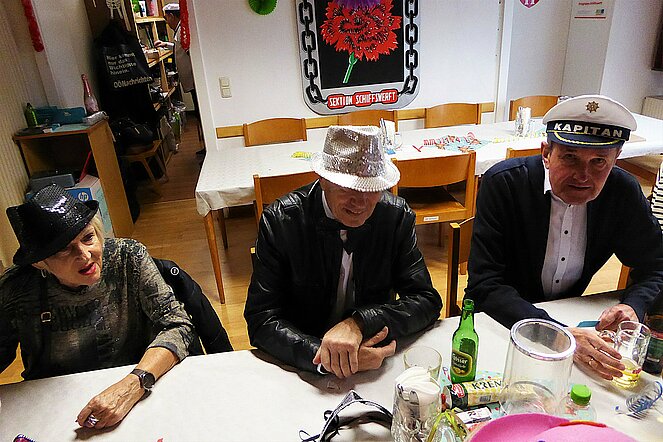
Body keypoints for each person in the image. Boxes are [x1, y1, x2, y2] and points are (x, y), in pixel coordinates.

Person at [466, 95, 663, 380]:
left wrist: (633, 306)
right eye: (570, 157)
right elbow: (485, 285)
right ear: (546, 153)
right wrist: (558, 334)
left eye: (599, 162)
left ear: (616, 158)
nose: (583, 175)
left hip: (573, 320)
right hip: (502, 324)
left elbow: (656, 265)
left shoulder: (622, 192)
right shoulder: (504, 183)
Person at [244, 125, 442, 379]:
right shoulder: (281, 220)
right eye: (348, 188)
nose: (360, 202)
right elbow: (261, 320)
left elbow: (426, 301)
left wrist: (360, 322)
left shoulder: (395, 217)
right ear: (323, 180)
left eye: (371, 188)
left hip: (371, 355)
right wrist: (326, 357)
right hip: (304, 365)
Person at [0, 185, 197, 429]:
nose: (85, 255)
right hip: (50, 409)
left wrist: (133, 384)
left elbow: (178, 325)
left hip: (133, 392)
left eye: (88, 237)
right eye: (64, 249)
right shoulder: (16, 289)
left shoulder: (128, 258)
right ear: (40, 262)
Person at [155, 2, 205, 156]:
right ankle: (206, 146)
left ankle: (207, 147)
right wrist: (165, 44)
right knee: (199, 113)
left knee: (200, 114)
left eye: (166, 18)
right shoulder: (179, 31)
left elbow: (188, 51)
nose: (167, 22)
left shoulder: (182, 30)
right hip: (191, 81)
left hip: (194, 81)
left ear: (171, 16)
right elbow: (180, 48)